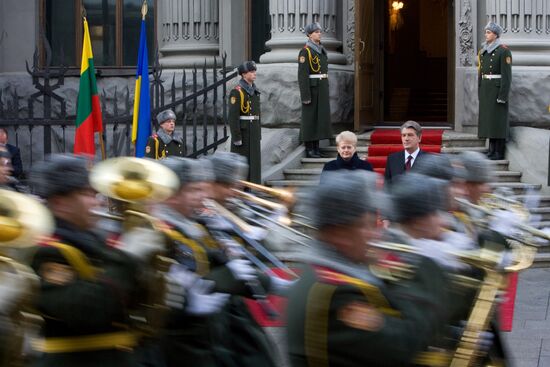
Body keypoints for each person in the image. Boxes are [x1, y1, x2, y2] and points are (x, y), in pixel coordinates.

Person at [286, 170, 451, 366]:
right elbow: (403, 344)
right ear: (339, 233)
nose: (376, 235)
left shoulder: (340, 272)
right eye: (368, 226)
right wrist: (425, 265)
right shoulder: (336, 292)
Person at [28, 154, 147, 367]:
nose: (98, 201)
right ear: (59, 202)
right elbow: (86, 309)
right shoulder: (49, 252)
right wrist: (128, 256)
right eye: (87, 194)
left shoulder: (92, 240)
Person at [478, 22, 512, 161]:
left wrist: (503, 95)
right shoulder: (483, 51)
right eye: (486, 32)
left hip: (497, 89)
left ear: (496, 34)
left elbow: (507, 76)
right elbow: (480, 73)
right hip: (486, 89)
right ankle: (491, 150)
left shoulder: (503, 51)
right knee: (489, 121)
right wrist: (480, 90)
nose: (486, 34)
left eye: (489, 32)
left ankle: (499, 152)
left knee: (498, 121)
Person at [298, 22, 332, 158]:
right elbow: (302, 75)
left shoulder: (320, 49)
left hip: (322, 87)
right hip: (312, 89)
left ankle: (316, 148)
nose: (319, 33)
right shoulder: (305, 51)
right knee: (310, 118)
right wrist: (305, 95)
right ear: (310, 34)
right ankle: (309, 148)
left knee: (320, 118)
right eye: (316, 32)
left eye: (319, 31)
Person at [228, 61, 262, 184]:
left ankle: (253, 187)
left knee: (254, 164)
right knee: (243, 165)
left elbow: (257, 114)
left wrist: (258, 134)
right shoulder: (237, 92)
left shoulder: (254, 91)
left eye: (254, 71)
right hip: (243, 132)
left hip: (253, 132)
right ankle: (242, 189)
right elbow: (233, 117)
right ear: (243, 74)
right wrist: (237, 137)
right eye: (251, 72)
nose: (254, 74)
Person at [384, 120, 429, 186]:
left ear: (419, 138)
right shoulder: (392, 159)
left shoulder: (429, 160)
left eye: (410, 135)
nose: (406, 138)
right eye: (403, 135)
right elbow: (387, 186)